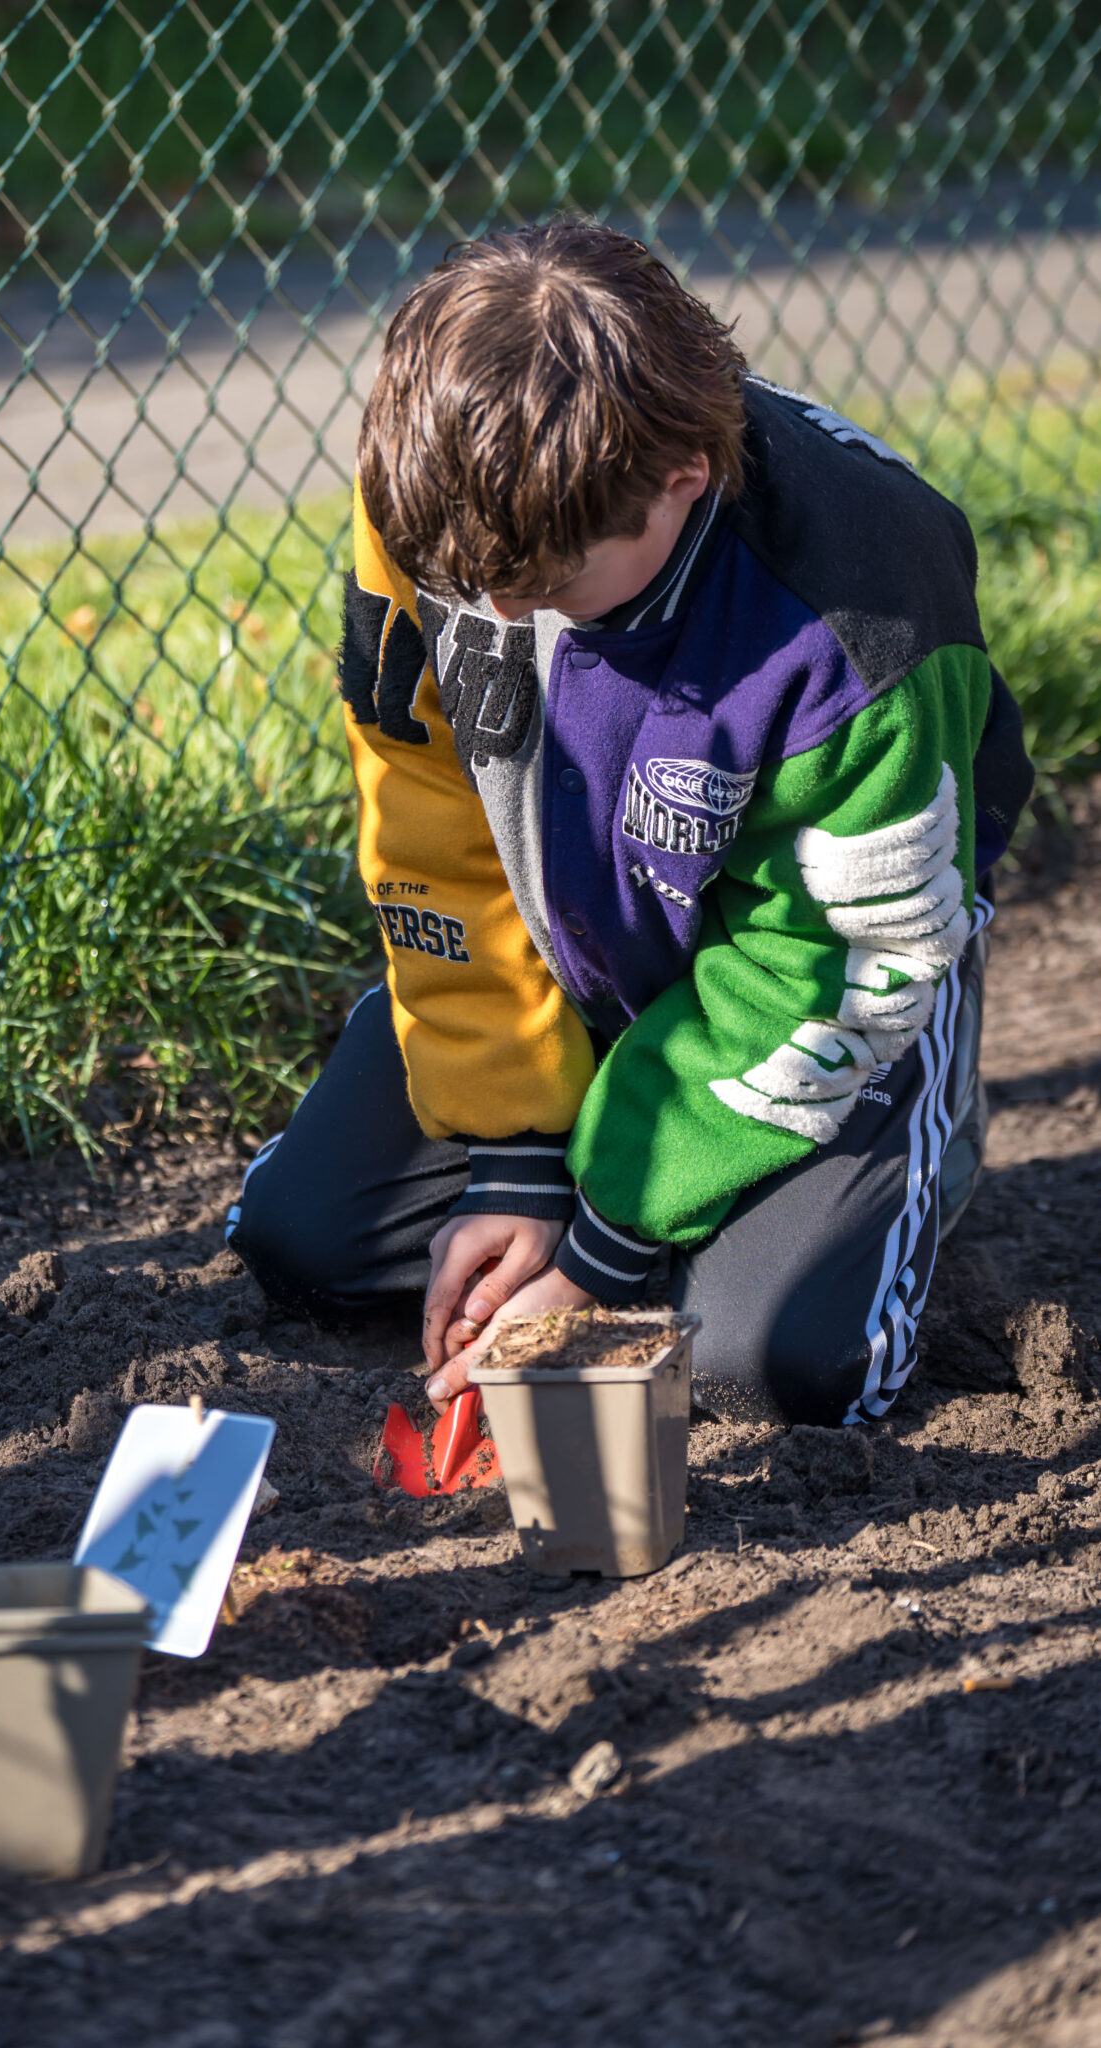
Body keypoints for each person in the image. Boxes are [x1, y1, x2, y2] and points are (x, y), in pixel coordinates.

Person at [227, 217, 1033, 1428]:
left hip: (823, 971)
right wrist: (511, 1153)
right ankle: (606, 1131)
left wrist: (596, 1251)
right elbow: (431, 821)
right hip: (577, 937)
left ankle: (906, 1119)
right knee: (304, 1244)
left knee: (774, 1367)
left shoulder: (866, 619)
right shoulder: (440, 498)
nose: (498, 614)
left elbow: (831, 956)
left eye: (545, 591)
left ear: (680, 484)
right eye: (468, 592)